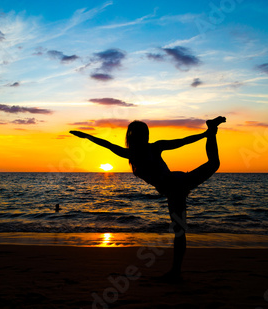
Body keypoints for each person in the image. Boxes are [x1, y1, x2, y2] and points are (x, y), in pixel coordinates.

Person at [70, 116, 225, 282]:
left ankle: (176, 271)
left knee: (179, 230)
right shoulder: (136, 152)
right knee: (213, 165)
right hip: (176, 185)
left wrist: (205, 134)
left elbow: (182, 141)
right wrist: (87, 137)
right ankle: (176, 271)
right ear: (135, 136)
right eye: (143, 133)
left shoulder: (148, 149)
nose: (146, 136)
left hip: (175, 186)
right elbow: (107, 145)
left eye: (146, 133)